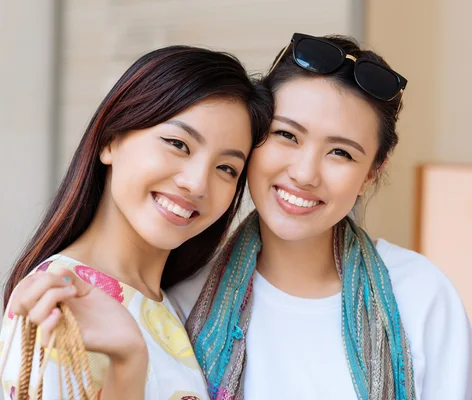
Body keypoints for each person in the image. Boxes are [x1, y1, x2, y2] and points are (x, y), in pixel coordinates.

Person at [168, 33, 472, 400]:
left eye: (340, 153)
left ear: (370, 174)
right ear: (254, 139)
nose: (305, 173)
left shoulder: (419, 294)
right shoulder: (183, 293)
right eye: (287, 135)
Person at [0, 45, 272, 400]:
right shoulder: (59, 302)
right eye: (178, 144)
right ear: (111, 139)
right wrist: (128, 363)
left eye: (226, 168)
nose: (197, 183)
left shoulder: (174, 303)